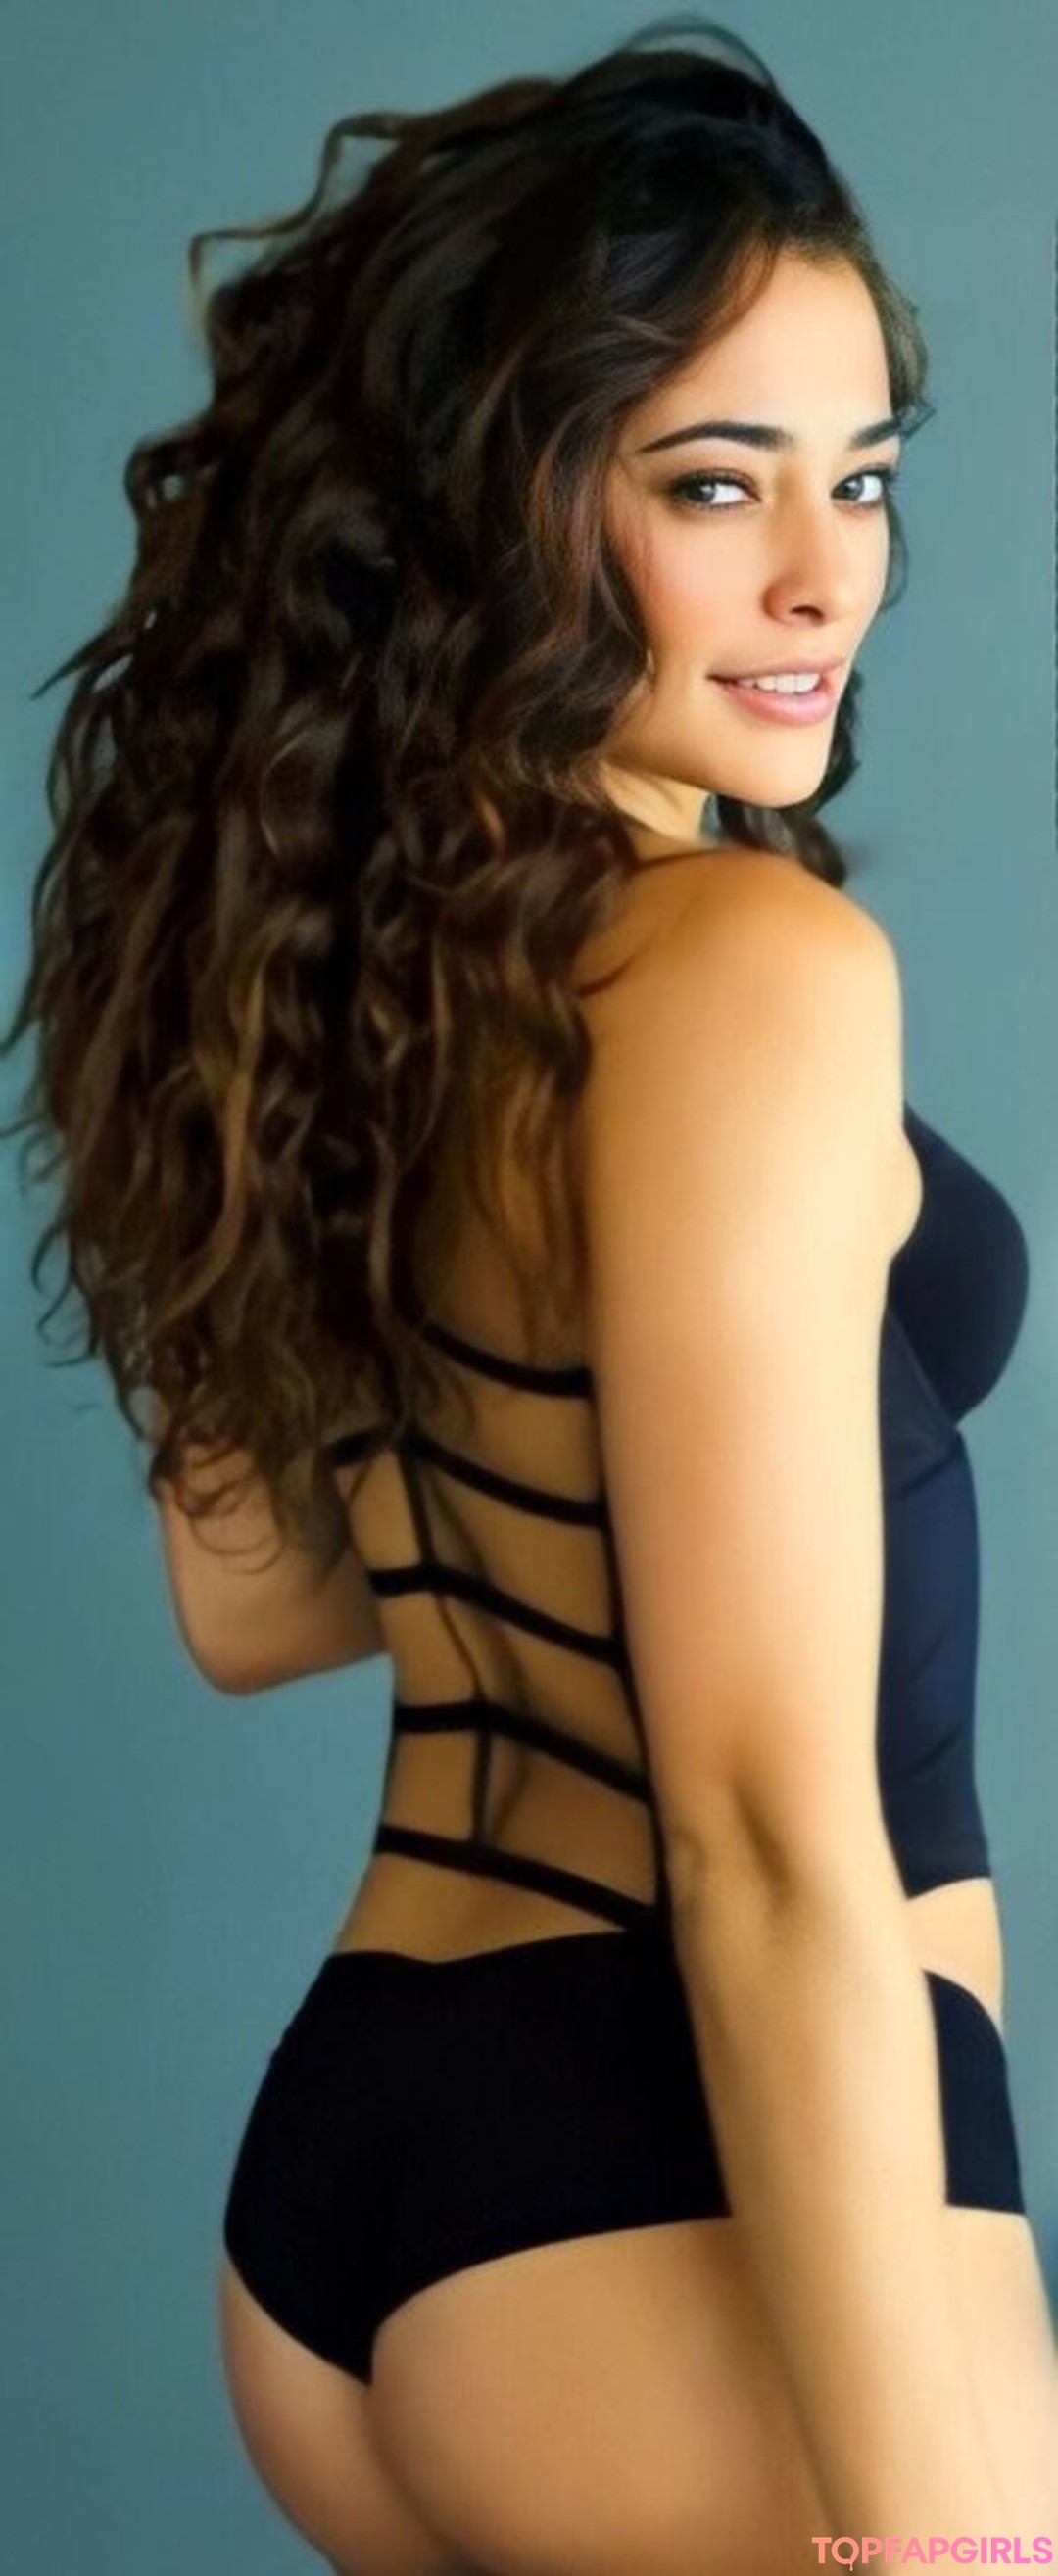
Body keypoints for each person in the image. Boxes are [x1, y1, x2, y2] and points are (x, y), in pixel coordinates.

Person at [5, 17, 1055, 2574]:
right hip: (672, 2193)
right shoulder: (742, 976)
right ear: (500, 504)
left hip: (362, 2176)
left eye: (862, 477)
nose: (825, 576)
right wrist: (931, 2545)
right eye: (713, 483)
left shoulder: (331, 972)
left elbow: (258, 1603)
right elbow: (764, 1844)